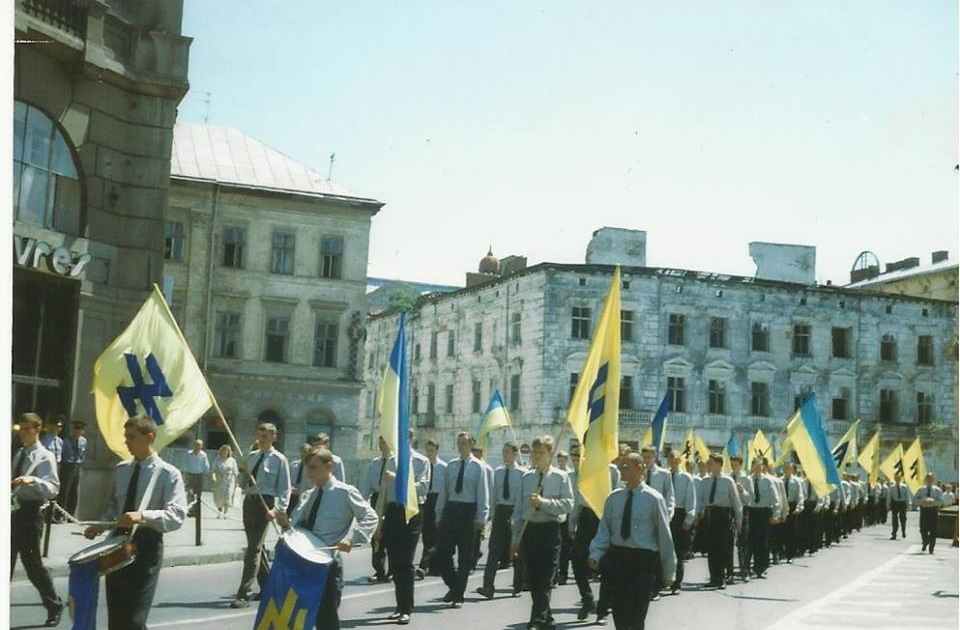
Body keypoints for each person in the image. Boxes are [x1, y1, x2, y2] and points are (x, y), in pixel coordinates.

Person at [83, 415, 188, 630]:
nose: (126, 442)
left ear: (149, 437)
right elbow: (114, 507)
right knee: (117, 618)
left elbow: (177, 515)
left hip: (146, 546)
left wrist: (143, 516)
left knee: (135, 619)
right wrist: (102, 525)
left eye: (131, 437)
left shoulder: (168, 474)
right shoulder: (122, 469)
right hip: (117, 545)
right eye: (126, 437)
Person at [275, 446, 377, 629]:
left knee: (326, 617)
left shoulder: (345, 492)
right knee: (299, 614)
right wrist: (284, 524)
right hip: (303, 561)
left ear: (329, 466)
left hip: (327, 563)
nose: (309, 472)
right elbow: (297, 530)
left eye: (314, 467)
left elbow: (370, 517)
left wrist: (352, 539)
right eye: (308, 467)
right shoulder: (308, 495)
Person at [588, 452, 675, 630]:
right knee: (619, 614)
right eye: (621, 466)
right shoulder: (614, 498)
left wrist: (669, 572)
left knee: (636, 616)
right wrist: (595, 553)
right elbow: (604, 530)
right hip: (618, 560)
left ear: (640, 468)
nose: (621, 470)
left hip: (643, 562)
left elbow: (664, 537)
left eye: (626, 467)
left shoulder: (654, 498)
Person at [510, 435, 574, 630]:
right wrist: (515, 538)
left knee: (546, 578)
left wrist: (543, 503)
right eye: (534, 452)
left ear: (550, 453)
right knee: (533, 578)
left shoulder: (561, 477)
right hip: (530, 531)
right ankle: (547, 619)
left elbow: (568, 505)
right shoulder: (526, 477)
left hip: (549, 531)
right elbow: (519, 510)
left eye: (541, 452)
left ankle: (537, 620)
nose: (536, 455)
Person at [231, 423, 291, 607]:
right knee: (256, 546)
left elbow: (285, 488)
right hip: (249, 501)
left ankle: (244, 593)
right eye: (259, 435)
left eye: (265, 436)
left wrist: (277, 509)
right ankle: (267, 587)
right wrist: (242, 472)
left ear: (274, 437)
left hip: (265, 503)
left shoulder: (279, 459)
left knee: (253, 549)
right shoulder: (251, 456)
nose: (261, 439)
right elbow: (242, 483)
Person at [12, 412, 63, 627]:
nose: (22, 433)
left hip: (30, 514)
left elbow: (53, 488)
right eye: (20, 429)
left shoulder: (45, 456)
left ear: (37, 430)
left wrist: (33, 481)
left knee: (32, 564)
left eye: (26, 429)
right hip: (12, 511)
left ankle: (54, 605)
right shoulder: (19, 453)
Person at [376, 434, 429, 624]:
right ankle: (399, 606)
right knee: (395, 562)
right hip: (393, 511)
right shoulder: (391, 460)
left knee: (405, 561)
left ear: (411, 440)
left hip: (412, 511)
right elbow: (384, 492)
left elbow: (422, 488)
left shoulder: (421, 461)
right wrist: (378, 522)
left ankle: (406, 608)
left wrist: (397, 479)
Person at [434, 431, 490, 608]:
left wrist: (481, 517)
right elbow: (444, 491)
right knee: (442, 554)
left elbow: (482, 493)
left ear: (471, 444)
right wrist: (439, 513)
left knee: (465, 558)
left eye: (464, 443)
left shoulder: (479, 467)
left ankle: (458, 595)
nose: (461, 446)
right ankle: (454, 585)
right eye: (458, 443)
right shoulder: (451, 466)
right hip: (451, 510)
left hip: (468, 512)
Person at [568, 445, 620, 624]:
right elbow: (577, 499)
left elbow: (617, 497)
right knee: (577, 560)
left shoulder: (612, 471)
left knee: (606, 565)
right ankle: (587, 597)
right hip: (586, 516)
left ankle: (602, 610)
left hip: (604, 517)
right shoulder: (584, 469)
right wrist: (572, 523)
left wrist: (615, 525)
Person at [477, 442, 525, 599]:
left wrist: (517, 516)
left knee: (516, 550)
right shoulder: (498, 472)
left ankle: (517, 585)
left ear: (515, 454)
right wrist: (492, 514)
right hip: (500, 511)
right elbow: (493, 495)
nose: (505, 454)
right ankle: (488, 586)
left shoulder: (522, 473)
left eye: (508, 452)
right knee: (494, 550)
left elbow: (521, 497)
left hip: (515, 510)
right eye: (504, 451)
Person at [696, 453, 742, 589]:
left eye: (711, 463)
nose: (708, 465)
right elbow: (700, 500)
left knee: (722, 548)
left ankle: (721, 578)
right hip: (709, 515)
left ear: (719, 464)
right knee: (711, 548)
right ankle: (713, 578)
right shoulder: (704, 481)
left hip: (723, 516)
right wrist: (697, 514)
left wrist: (739, 521)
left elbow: (736, 502)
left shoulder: (728, 481)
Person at [743, 457, 781, 579]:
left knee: (763, 541)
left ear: (763, 467)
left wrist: (776, 514)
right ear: (752, 466)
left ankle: (761, 568)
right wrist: (742, 491)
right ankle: (747, 568)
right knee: (750, 541)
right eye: (755, 465)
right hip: (752, 512)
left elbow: (775, 499)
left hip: (764, 512)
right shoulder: (748, 480)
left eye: (760, 465)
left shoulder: (768, 480)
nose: (758, 468)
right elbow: (746, 498)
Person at [361, 438, 392, 584]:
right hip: (376, 498)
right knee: (376, 536)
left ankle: (392, 571)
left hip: (390, 499)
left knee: (390, 536)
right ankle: (379, 570)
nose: (381, 446)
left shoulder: (395, 462)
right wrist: (362, 505)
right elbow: (367, 485)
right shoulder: (374, 463)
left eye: (384, 443)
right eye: (380, 443)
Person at [667, 449, 697, 594]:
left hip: (680, 515)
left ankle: (676, 583)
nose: (673, 460)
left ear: (680, 460)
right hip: (666, 514)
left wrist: (689, 518)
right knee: (665, 550)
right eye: (670, 457)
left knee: (678, 552)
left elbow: (691, 499)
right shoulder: (665, 475)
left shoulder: (686, 478)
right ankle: (664, 580)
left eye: (675, 458)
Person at [418, 439, 446, 574]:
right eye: (427, 450)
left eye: (432, 450)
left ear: (437, 451)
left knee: (436, 533)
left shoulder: (444, 467)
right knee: (426, 533)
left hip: (438, 499)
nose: (429, 453)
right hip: (425, 500)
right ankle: (429, 564)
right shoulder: (423, 466)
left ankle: (426, 564)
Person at [471, 443, 495, 571]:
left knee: (477, 535)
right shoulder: (471, 467)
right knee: (470, 536)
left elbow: (490, 490)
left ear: (481, 454)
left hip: (481, 506)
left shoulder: (487, 469)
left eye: (477, 454)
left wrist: (489, 510)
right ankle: (475, 554)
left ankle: (472, 561)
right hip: (471, 505)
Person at [58, 419, 87, 518]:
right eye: (76, 429)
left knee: (74, 492)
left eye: (80, 430)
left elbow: (83, 454)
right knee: (64, 490)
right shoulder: (66, 441)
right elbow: (62, 454)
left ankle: (71, 514)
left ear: (83, 431)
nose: (77, 431)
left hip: (77, 465)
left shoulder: (83, 441)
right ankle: (60, 514)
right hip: (67, 465)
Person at [915, 474, 944, 554]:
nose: (929, 481)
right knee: (923, 529)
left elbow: (941, 501)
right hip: (924, 510)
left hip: (933, 511)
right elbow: (915, 500)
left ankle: (931, 547)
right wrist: (922, 501)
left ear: (933, 480)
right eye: (928, 479)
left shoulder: (937, 490)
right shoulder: (921, 489)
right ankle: (925, 541)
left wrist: (933, 502)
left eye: (931, 479)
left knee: (933, 529)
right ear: (925, 480)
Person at [555, 450, 571, 585]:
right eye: (559, 460)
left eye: (563, 460)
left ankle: (563, 573)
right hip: (556, 511)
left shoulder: (569, 474)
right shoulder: (555, 474)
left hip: (567, 512)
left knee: (565, 544)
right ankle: (554, 573)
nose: (561, 463)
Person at [182, 439, 210, 514]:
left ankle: (196, 509)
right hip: (189, 474)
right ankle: (191, 509)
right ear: (194, 445)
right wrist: (183, 474)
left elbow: (206, 465)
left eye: (199, 445)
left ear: (202, 446)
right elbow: (184, 463)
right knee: (189, 492)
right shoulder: (189, 453)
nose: (198, 446)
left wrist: (208, 474)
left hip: (199, 475)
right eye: (196, 444)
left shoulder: (204, 455)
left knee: (198, 493)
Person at [211, 444, 239, 518]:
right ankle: (220, 511)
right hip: (219, 480)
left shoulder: (232, 460)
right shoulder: (217, 459)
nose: (225, 452)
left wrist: (237, 482)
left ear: (229, 452)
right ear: (221, 451)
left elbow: (235, 472)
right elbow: (213, 469)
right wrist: (213, 477)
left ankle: (225, 513)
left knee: (228, 496)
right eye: (223, 450)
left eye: (226, 451)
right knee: (218, 497)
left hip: (229, 481)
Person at [288, 443, 313, 516]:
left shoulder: (311, 467)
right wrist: (291, 488)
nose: (303, 454)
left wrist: (301, 490)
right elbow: (287, 479)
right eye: (302, 451)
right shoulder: (293, 465)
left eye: (305, 452)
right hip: (291, 494)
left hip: (304, 495)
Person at [887, 472, 910, 540]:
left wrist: (908, 505)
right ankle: (894, 533)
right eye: (896, 478)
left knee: (903, 518)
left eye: (898, 478)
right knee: (894, 518)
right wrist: (888, 504)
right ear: (894, 478)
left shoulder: (904, 487)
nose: (897, 479)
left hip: (902, 503)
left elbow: (907, 496)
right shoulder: (892, 487)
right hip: (895, 503)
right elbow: (889, 496)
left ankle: (903, 531)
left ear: (900, 478)